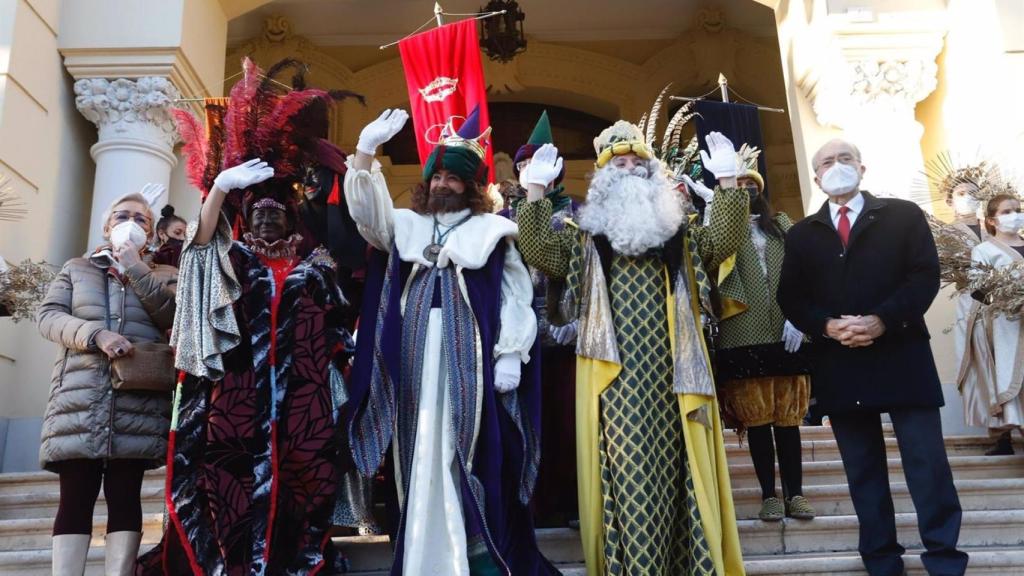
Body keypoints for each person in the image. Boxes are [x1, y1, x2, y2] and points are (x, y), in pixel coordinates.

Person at [138, 58, 357, 574]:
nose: (266, 213)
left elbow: (339, 332)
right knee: (227, 483)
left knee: (307, 481)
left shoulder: (315, 267)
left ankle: (294, 562)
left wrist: (343, 385)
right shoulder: (232, 259)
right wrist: (218, 189)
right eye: (256, 207)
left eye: (275, 208)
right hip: (236, 394)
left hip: (304, 400)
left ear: (292, 215)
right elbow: (197, 248)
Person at [516, 123, 746, 575]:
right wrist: (536, 192)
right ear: (603, 178)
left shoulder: (679, 233)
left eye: (637, 164)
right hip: (614, 380)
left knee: (682, 472)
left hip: (676, 374)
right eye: (618, 165)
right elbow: (538, 249)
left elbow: (723, 243)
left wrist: (730, 185)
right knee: (630, 474)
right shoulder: (583, 236)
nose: (629, 170)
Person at [344, 107, 558, 575]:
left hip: (472, 366)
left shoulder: (494, 230)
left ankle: (474, 557)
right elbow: (367, 216)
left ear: (472, 186)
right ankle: (420, 554)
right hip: (414, 360)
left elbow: (515, 295)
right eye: (436, 176)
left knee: (470, 451)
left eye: (452, 178)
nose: (442, 183)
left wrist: (510, 354)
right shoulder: (405, 224)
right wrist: (364, 153)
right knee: (417, 451)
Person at [777, 138, 968, 576]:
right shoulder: (803, 234)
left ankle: (944, 557)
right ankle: (881, 560)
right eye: (827, 161)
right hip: (842, 364)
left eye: (846, 158)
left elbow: (924, 276)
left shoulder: (902, 215)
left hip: (903, 357)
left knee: (927, 465)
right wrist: (827, 325)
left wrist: (882, 320)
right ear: (816, 176)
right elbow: (791, 296)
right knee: (863, 471)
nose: (837, 166)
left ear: (863, 168)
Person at [37, 190, 176, 576]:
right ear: (106, 225)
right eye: (121, 215)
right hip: (79, 396)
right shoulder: (77, 268)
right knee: (75, 498)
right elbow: (49, 317)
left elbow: (171, 317)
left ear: (152, 233)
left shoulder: (165, 275)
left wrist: (136, 267)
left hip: (138, 400)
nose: (130, 222)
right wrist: (96, 335)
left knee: (125, 496)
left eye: (140, 218)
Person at [707, 150, 815, 522]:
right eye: (740, 185)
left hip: (787, 331)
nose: (747, 190)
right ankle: (769, 494)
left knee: (787, 420)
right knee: (757, 421)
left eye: (752, 184)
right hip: (742, 334)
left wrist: (800, 317)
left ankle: (796, 494)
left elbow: (806, 272)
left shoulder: (782, 226)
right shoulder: (720, 228)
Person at [500, 110, 580, 528]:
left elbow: (589, 273)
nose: (535, 171)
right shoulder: (500, 219)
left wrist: (581, 319)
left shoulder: (579, 214)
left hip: (565, 340)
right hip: (516, 344)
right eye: (527, 165)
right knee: (522, 426)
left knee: (567, 427)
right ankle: (528, 506)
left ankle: (569, 502)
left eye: (543, 164)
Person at [964, 194, 1024, 449]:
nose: (1014, 214)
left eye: (1017, 209)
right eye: (1007, 211)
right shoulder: (984, 250)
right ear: (992, 219)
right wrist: (1009, 295)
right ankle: (1005, 435)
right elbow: (977, 289)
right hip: (1004, 326)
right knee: (1012, 376)